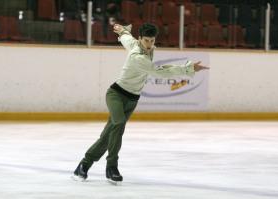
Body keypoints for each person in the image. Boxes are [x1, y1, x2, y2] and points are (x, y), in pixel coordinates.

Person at [73, 23, 209, 184]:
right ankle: (112, 167)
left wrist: (122, 30)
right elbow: (161, 71)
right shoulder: (138, 57)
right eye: (146, 41)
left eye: (152, 41)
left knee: (109, 134)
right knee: (119, 124)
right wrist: (188, 69)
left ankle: (83, 165)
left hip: (132, 99)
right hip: (116, 94)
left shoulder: (139, 45)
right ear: (140, 40)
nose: (149, 44)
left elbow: (126, 38)